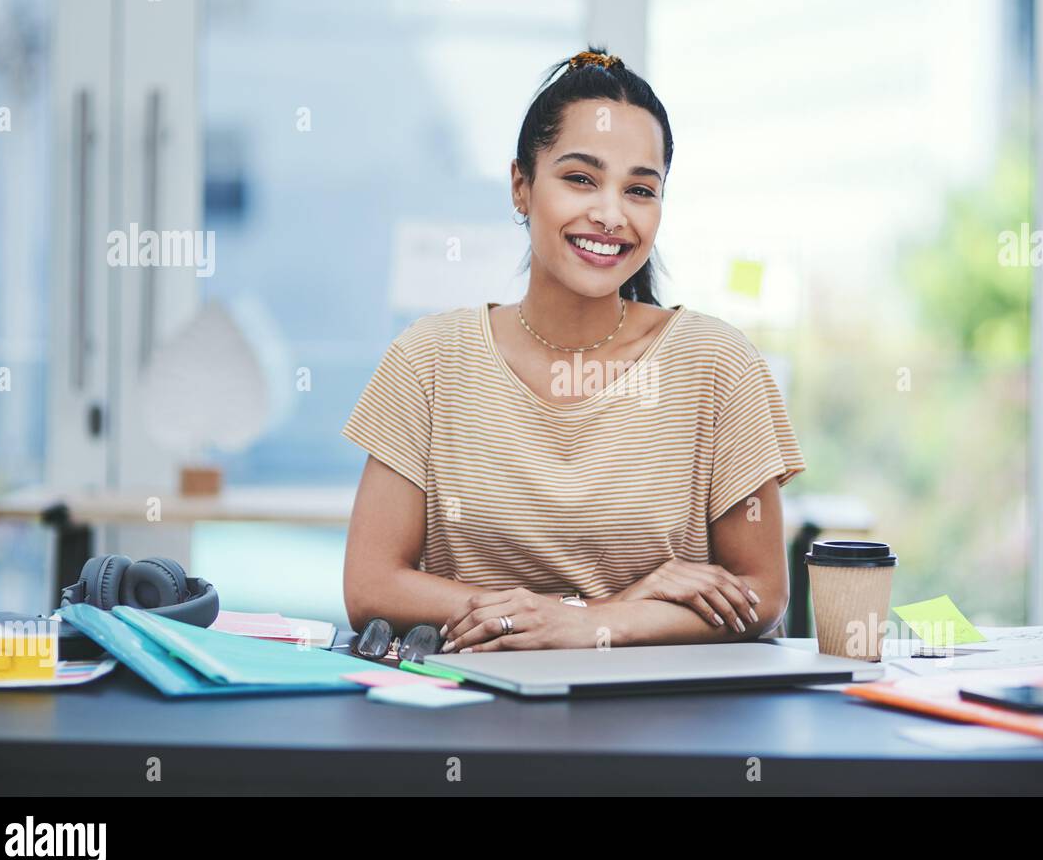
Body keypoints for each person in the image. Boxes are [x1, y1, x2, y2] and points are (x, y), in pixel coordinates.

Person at [342, 46, 805, 652]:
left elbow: (762, 595)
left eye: (640, 190)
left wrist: (591, 626)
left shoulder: (718, 365)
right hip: (469, 710)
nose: (611, 215)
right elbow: (371, 584)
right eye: (580, 179)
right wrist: (591, 613)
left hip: (665, 719)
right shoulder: (429, 359)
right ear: (521, 186)